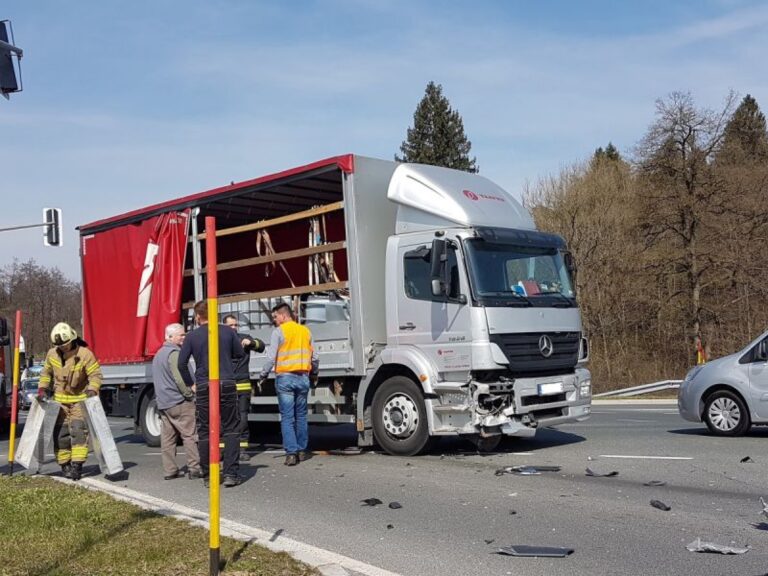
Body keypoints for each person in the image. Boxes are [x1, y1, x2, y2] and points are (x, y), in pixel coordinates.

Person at [178, 301, 245, 487]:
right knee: (231, 429)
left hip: (203, 384)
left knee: (205, 430)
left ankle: (209, 475)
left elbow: (181, 364)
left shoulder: (192, 336)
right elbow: (240, 354)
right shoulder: (228, 332)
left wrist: (191, 384)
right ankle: (231, 473)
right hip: (227, 382)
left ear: (198, 316)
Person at [38, 322, 103, 481]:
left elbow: (96, 375)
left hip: (79, 400)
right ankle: (64, 464)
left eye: (66, 345)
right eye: (60, 346)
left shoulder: (85, 354)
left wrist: (92, 389)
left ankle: (77, 465)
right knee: (61, 435)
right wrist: (42, 388)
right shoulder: (52, 354)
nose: (63, 348)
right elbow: (46, 373)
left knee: (78, 432)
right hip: (59, 403)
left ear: (72, 339)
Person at [258, 302, 318, 466]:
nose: (275, 320)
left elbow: (271, 357)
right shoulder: (305, 331)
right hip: (303, 378)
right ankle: (301, 450)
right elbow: (315, 357)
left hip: (285, 378)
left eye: (276, 317)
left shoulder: (279, 332)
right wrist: (314, 373)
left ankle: (291, 454)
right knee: (301, 416)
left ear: (284, 315)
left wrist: (263, 374)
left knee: (287, 417)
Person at [152, 323, 201, 480]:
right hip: (179, 401)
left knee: (168, 439)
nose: (184, 337)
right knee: (190, 435)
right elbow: (179, 378)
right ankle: (194, 468)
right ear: (170, 337)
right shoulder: (174, 354)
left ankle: (170, 470)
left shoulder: (159, 354)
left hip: (164, 402)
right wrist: (189, 393)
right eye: (181, 335)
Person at [223, 314, 265, 461]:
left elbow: (261, 346)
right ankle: (224, 450)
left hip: (242, 385)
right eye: (230, 325)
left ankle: (242, 449)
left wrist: (251, 342)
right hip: (226, 385)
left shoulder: (243, 338)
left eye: (235, 325)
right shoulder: (219, 341)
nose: (234, 328)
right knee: (225, 419)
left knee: (242, 417)